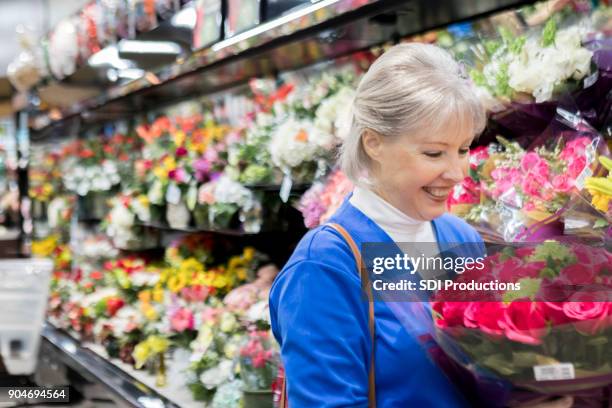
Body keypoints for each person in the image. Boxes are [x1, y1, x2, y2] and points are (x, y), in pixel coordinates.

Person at [269, 43, 573, 408]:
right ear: (374, 143)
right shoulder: (325, 268)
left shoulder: (460, 239)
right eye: (434, 153)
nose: (458, 172)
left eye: (462, 150)